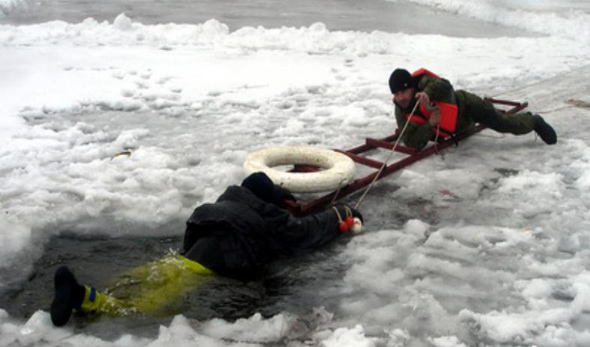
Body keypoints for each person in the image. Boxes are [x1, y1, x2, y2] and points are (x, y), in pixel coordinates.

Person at [50, 172, 363, 326]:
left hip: (193, 247)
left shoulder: (228, 200)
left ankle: (84, 289)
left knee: (161, 270)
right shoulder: (269, 215)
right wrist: (343, 213)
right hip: (213, 262)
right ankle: (85, 299)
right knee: (151, 304)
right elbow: (307, 232)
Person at [388, 68, 557, 151]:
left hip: (469, 107)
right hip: (456, 127)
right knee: (466, 128)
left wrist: (427, 93)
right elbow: (411, 142)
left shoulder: (424, 83)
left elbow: (446, 86)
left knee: (504, 124)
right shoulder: (400, 110)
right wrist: (430, 123)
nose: (400, 97)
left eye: (404, 91)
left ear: (411, 87)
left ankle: (534, 121)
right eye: (396, 94)